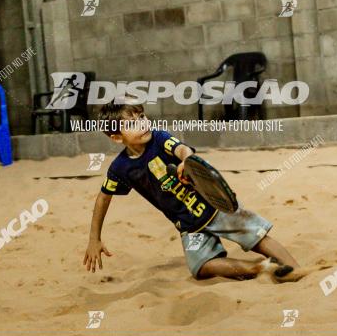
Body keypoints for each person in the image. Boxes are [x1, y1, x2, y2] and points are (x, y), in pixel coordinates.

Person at [83, 101, 300, 281]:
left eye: (142, 117)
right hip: (189, 225)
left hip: (215, 206)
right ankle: (257, 269)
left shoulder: (160, 138)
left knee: (258, 238)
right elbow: (103, 197)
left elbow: (182, 149)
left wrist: (186, 161)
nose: (142, 124)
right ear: (116, 137)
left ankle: (296, 270)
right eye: (132, 123)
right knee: (201, 268)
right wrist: (94, 238)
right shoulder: (121, 168)